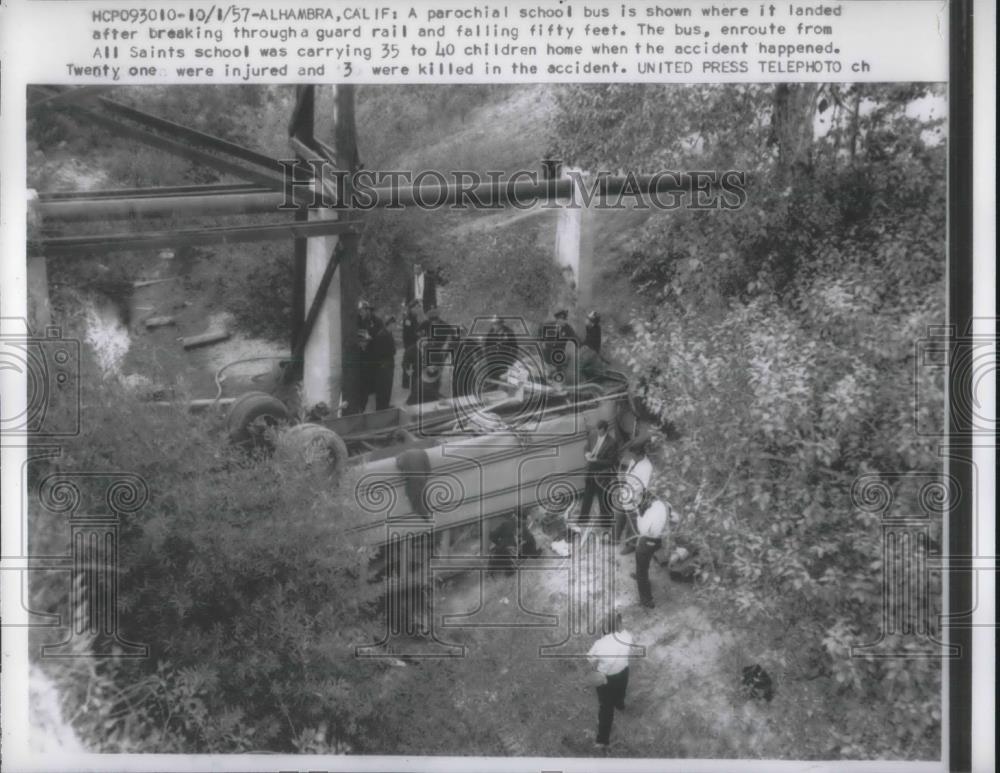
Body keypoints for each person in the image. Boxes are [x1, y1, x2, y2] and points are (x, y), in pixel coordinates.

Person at [586, 611, 635, 750]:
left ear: (604, 628)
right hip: (623, 672)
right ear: (620, 624)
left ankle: (602, 740)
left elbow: (590, 659)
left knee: (606, 709)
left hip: (605, 678)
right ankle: (620, 705)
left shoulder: (600, 644)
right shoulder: (626, 636)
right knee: (621, 692)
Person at [633, 491, 669, 609]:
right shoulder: (664, 504)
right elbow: (674, 517)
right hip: (658, 541)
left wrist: (638, 514)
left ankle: (646, 599)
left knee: (641, 570)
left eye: (638, 500)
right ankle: (640, 575)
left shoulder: (649, 512)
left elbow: (642, 530)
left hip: (647, 541)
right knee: (645, 562)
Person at [616, 441, 653, 555]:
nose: (631, 458)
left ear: (640, 454)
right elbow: (628, 475)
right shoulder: (634, 461)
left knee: (632, 519)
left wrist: (632, 496)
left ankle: (631, 544)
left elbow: (643, 487)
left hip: (637, 497)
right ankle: (614, 537)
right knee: (618, 512)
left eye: (633, 455)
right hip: (627, 492)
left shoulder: (647, 467)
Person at [581, 419, 619, 518]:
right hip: (590, 471)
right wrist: (587, 453)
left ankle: (605, 522)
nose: (597, 432)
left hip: (602, 474)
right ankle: (583, 519)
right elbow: (586, 447)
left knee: (602, 498)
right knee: (587, 497)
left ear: (604, 430)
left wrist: (596, 461)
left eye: (599, 430)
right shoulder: (593, 435)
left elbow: (611, 462)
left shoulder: (612, 443)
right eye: (597, 430)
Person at [369, 316, 397, 411]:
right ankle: (381, 408)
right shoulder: (382, 335)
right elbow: (379, 352)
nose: (395, 326)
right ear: (389, 324)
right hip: (383, 365)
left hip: (388, 364)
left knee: (388, 386)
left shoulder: (388, 333)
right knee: (383, 388)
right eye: (394, 324)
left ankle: (385, 405)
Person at [401, 299, 422, 390]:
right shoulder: (408, 319)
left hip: (414, 344)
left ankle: (412, 382)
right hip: (409, 344)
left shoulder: (414, 317)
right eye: (416, 307)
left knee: (413, 362)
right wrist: (418, 334)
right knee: (407, 363)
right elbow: (409, 333)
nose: (418, 309)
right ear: (412, 308)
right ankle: (405, 384)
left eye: (418, 307)